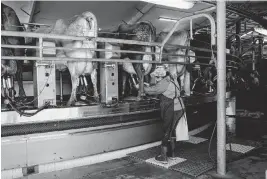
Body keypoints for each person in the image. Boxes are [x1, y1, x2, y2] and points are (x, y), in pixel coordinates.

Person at [143, 65, 188, 164]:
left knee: (166, 130)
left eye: (157, 77)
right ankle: (172, 154)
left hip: (172, 107)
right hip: (179, 107)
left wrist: (140, 86)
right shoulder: (172, 78)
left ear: (162, 76)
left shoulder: (165, 82)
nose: (157, 79)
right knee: (172, 131)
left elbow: (152, 90)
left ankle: (163, 157)